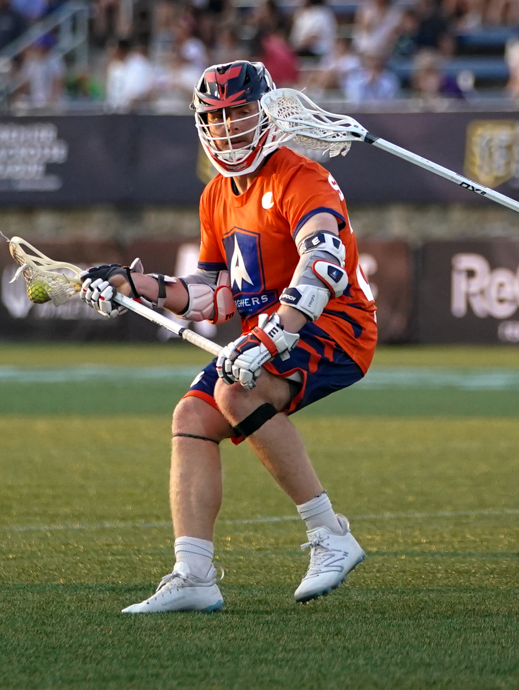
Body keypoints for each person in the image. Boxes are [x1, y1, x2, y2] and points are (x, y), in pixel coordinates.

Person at [80, 60, 378, 613]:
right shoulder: (216, 194)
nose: (227, 128)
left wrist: (272, 337)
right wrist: (134, 285)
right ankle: (194, 576)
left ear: (265, 113)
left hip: (336, 325)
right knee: (192, 416)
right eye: (215, 117)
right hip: (267, 331)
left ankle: (329, 534)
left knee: (236, 392)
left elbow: (323, 265)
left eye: (238, 113)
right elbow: (215, 295)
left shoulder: (301, 177)